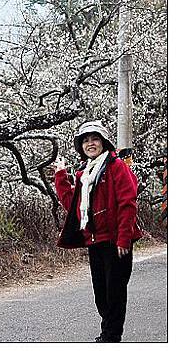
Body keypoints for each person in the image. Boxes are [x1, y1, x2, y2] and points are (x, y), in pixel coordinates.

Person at [53, 120, 143, 342]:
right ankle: (108, 333)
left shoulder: (116, 166)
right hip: (94, 241)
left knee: (115, 293)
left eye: (94, 139)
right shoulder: (85, 173)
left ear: (104, 142)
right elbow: (72, 205)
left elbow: (127, 202)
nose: (90, 143)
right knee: (101, 294)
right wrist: (61, 176)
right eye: (85, 140)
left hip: (116, 242)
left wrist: (124, 238)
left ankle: (111, 337)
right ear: (80, 146)